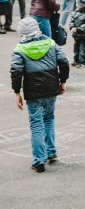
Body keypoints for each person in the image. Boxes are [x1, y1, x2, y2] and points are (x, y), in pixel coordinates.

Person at [10, 17, 70, 172]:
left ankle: (39, 161)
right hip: (51, 88)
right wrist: (62, 81)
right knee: (49, 119)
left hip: (33, 92)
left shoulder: (19, 49)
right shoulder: (50, 43)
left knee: (36, 124)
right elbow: (64, 61)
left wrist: (17, 92)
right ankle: (51, 152)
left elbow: (16, 72)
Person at [68, 0, 85, 68]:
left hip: (84, 35)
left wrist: (78, 29)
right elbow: (71, 21)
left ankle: (82, 62)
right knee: (76, 48)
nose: (76, 5)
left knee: (83, 49)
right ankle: (76, 60)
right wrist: (72, 27)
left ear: (82, 5)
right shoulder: (75, 12)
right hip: (76, 35)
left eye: (78, 4)